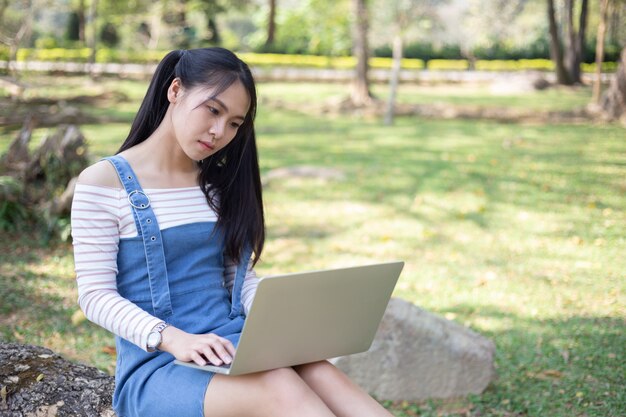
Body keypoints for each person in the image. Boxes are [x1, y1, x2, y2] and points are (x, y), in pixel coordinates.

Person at [71, 47, 393, 417]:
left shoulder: (217, 186)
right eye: (213, 110)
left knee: (320, 372)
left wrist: (283, 329)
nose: (219, 132)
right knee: (281, 388)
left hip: (233, 347)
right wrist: (174, 338)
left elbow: (235, 279)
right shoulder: (104, 183)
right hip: (160, 366)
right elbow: (94, 296)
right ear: (175, 90)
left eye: (235, 123)